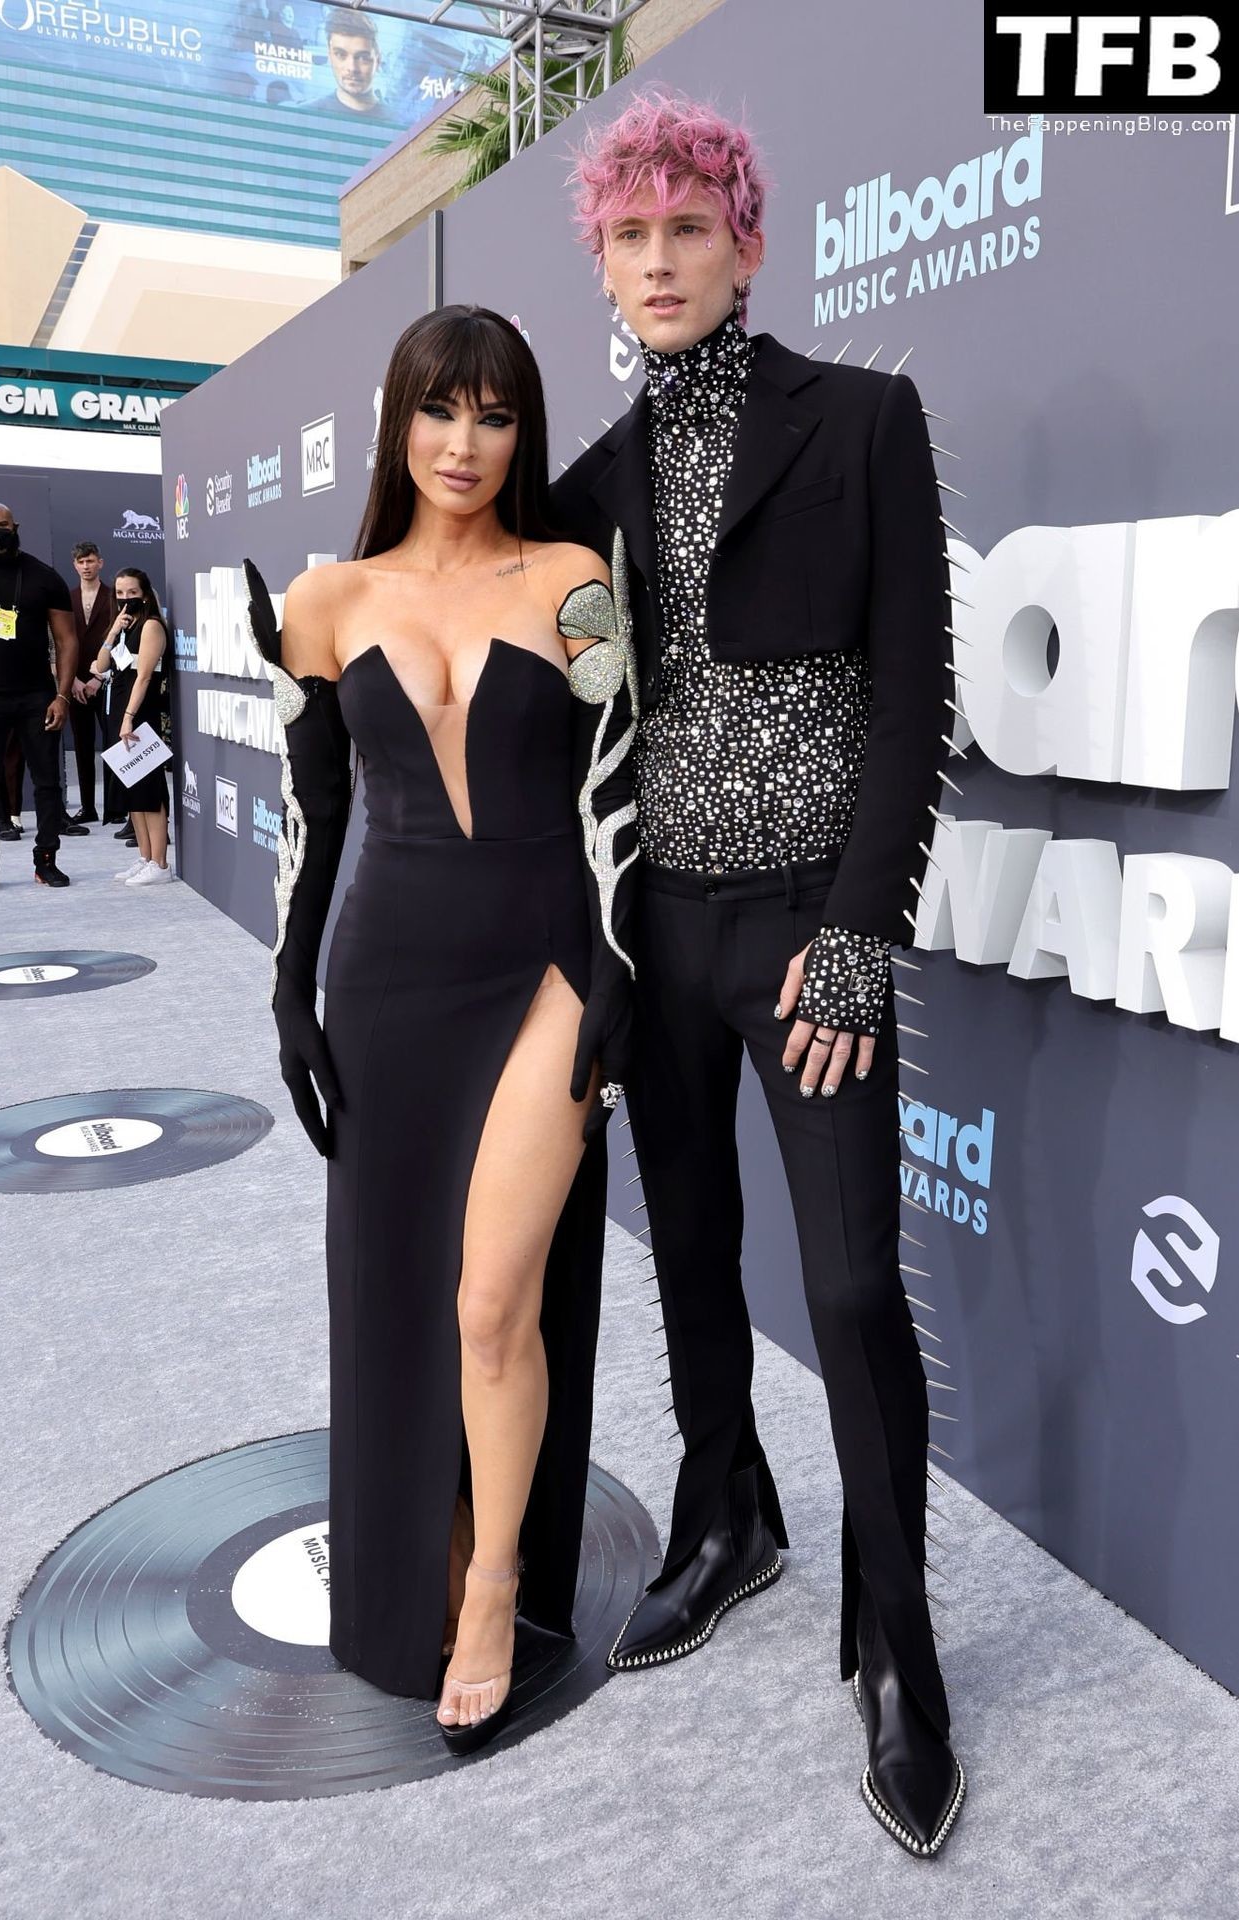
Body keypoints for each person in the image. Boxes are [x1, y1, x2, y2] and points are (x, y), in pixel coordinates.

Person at [548, 91, 966, 1858]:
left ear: (746, 244)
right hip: (660, 931)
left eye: (687, 230)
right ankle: (728, 1516)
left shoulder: (861, 417)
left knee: (855, 1290)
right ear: (603, 262)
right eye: (629, 237)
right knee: (694, 1251)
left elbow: (915, 688)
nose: (659, 262)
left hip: (808, 926)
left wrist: (859, 935)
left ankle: (899, 1642)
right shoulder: (593, 480)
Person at [244, 305, 638, 1752]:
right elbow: (311, 814)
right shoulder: (323, 600)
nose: (463, 444)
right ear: (396, 421)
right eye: (438, 410)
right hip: (386, 979)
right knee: (402, 1296)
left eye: (494, 414)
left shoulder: (577, 582)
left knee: (491, 1302)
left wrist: (620, 969)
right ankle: (437, 1540)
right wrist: (288, 988)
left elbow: (619, 784)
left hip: (548, 966)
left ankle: (493, 1582)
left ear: (523, 431)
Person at [0, 500, 76, 891]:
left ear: (16, 526)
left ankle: (47, 860)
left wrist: (62, 696)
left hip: (37, 696)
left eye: (2, 525)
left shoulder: (44, 576)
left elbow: (67, 640)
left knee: (47, 783)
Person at [89, 568, 173, 886]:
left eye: (132, 593)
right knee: (133, 788)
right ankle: (145, 857)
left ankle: (160, 863)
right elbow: (99, 666)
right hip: (119, 711)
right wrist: (112, 632)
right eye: (120, 593)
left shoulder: (151, 626)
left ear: (145, 594)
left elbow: (145, 677)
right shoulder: (125, 627)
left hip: (140, 714)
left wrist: (128, 716)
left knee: (149, 789)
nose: (125, 599)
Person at [67, 541, 112, 827]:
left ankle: (115, 807)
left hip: (107, 683)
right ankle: (87, 807)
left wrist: (99, 678)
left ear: (100, 563)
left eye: (91, 561)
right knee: (82, 748)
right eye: (81, 562)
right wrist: (71, 680)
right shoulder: (67, 598)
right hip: (74, 686)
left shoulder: (113, 597)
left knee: (113, 745)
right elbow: (58, 642)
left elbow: (120, 642)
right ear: (75, 565)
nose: (86, 566)